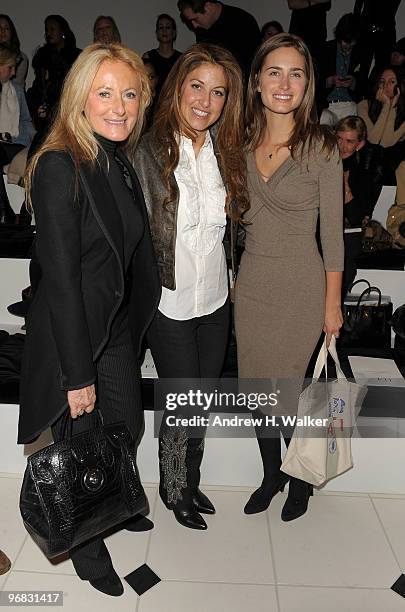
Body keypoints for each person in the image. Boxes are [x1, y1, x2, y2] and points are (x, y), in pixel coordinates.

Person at [18, 43, 161, 597]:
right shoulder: (60, 164)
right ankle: (85, 544)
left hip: (115, 327)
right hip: (76, 334)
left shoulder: (113, 154)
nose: (119, 106)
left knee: (124, 425)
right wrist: (77, 375)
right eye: (104, 93)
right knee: (76, 443)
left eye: (129, 93)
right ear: (80, 96)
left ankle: (113, 502)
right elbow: (60, 281)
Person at [133, 43, 248, 530]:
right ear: (178, 87)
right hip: (170, 297)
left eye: (218, 92)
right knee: (179, 398)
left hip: (216, 297)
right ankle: (173, 486)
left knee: (201, 396)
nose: (206, 100)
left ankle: (190, 480)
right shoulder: (147, 149)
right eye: (196, 86)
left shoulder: (226, 150)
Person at [235, 33, 344, 521]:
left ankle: (299, 480)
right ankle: (270, 473)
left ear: (307, 84)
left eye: (296, 73)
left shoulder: (322, 146)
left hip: (303, 285)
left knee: (297, 395)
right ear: (256, 82)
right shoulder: (237, 144)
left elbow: (334, 236)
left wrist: (332, 304)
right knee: (259, 392)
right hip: (253, 283)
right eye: (274, 72)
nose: (285, 83)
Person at [335, 115, 384, 293]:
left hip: (350, 236)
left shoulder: (365, 171)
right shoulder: (327, 161)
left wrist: (345, 187)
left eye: (349, 141)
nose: (342, 145)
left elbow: (356, 217)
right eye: (339, 138)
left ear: (360, 144)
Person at [27, 15, 81, 137]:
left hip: (69, 110)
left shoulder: (76, 55)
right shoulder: (42, 56)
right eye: (46, 30)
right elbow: (39, 84)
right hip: (46, 114)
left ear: (62, 31)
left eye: (52, 29)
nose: (48, 33)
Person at [177, 0, 260, 78]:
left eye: (195, 19)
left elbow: (255, 64)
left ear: (208, 7)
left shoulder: (243, 21)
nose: (194, 25)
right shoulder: (201, 29)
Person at [357, 65, 405, 201]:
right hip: (368, 158)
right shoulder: (363, 105)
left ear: (400, 85)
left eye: (392, 81)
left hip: (392, 160)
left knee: (384, 158)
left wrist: (392, 108)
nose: (386, 86)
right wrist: (386, 106)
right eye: (382, 81)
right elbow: (373, 139)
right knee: (373, 153)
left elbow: (386, 142)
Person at [0, 45, 35, 224]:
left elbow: (26, 122)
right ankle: (6, 209)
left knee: (38, 156)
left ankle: (23, 209)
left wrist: (34, 143)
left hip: (13, 144)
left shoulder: (16, 90)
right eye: (9, 67)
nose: (13, 73)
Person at [319, 13, 364, 126]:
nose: (348, 45)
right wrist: (329, 81)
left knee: (354, 117)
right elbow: (314, 81)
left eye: (351, 42)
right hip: (328, 105)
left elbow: (365, 85)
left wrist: (353, 82)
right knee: (323, 118)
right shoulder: (325, 49)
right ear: (339, 36)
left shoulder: (360, 53)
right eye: (345, 41)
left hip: (350, 104)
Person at [354, 0, 401, 80]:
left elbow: (358, 8)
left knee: (382, 71)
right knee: (362, 68)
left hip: (383, 31)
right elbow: (357, 8)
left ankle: (371, 89)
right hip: (370, 30)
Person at [143, 14, 182, 94]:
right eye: (161, 27)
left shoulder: (182, 58)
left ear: (174, 32)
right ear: (157, 33)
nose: (164, 31)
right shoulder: (148, 56)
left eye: (168, 27)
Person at [288, 0, 330, 69]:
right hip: (299, 30)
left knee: (316, 67)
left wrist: (306, 2)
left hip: (318, 33)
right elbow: (292, 4)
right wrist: (313, 2)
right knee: (296, 63)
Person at [0, 15, 28, 87]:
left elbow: (16, 84)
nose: (3, 31)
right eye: (0, 28)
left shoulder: (21, 57)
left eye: (6, 28)